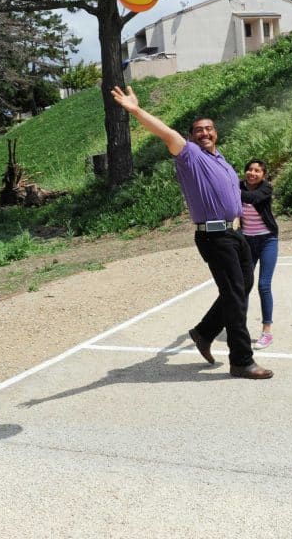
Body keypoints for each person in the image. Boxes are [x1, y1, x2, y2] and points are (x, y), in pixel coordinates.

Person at [111, 85, 272, 379]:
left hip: (235, 234)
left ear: (216, 133)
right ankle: (242, 361)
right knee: (236, 297)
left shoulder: (221, 159)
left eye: (209, 129)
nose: (205, 133)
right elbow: (164, 132)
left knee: (242, 286)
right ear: (191, 135)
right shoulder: (190, 156)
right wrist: (135, 110)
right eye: (199, 130)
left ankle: (204, 331)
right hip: (214, 237)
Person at [240, 159, 279, 349]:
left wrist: (232, 190)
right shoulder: (238, 186)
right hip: (246, 242)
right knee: (243, 285)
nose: (252, 173)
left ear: (263, 175)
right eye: (250, 169)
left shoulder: (266, 189)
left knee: (264, 285)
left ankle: (266, 332)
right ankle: (240, 329)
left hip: (267, 240)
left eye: (257, 170)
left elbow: (252, 198)